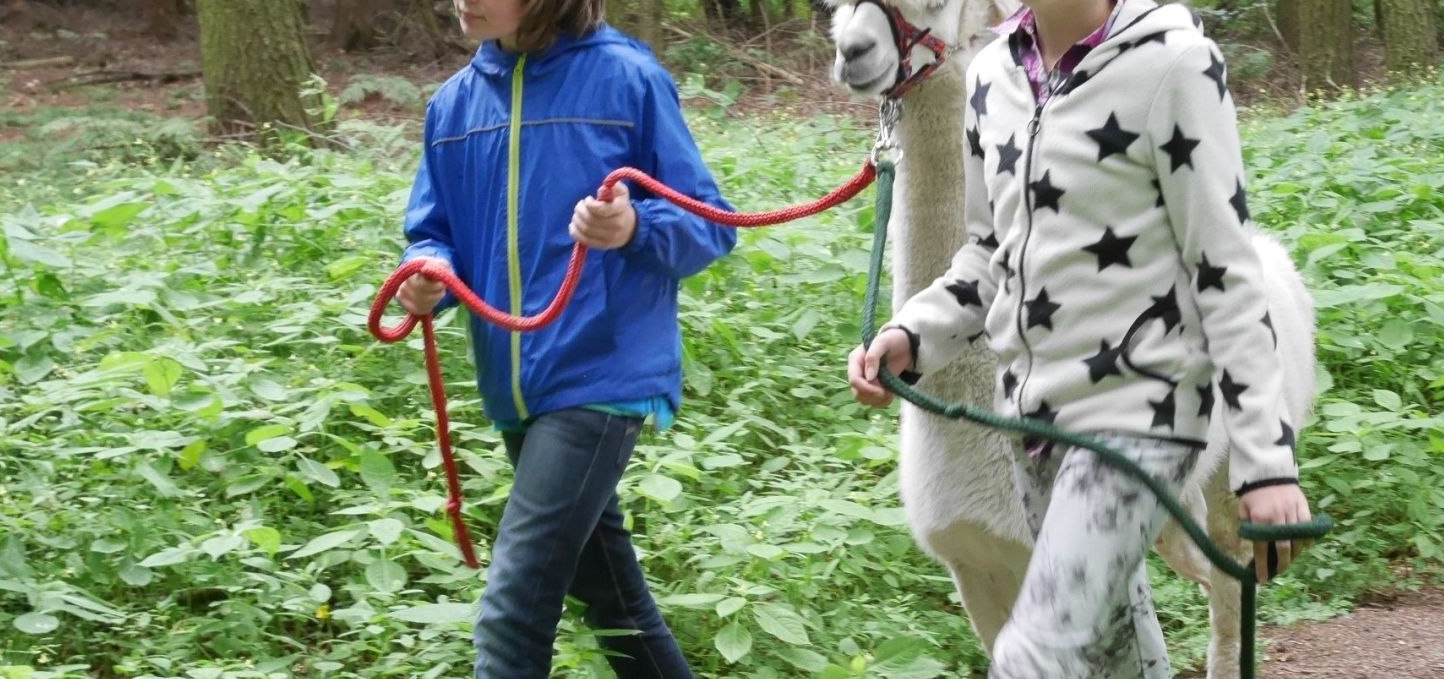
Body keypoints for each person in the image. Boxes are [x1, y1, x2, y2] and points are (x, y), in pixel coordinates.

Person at [847, 0, 1312, 675]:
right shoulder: (993, 78)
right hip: (1035, 424)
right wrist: (916, 333)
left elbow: (1227, 272)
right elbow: (987, 256)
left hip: (1142, 419)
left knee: (1034, 654)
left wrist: (1265, 461)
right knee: (1113, 658)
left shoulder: (1174, 65)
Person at [393, 0, 736, 673]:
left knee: (511, 611)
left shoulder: (627, 78)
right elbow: (431, 230)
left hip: (603, 375)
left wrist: (634, 228)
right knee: (617, 607)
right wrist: (425, 272)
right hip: (515, 386)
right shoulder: (454, 105)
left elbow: (712, 224)